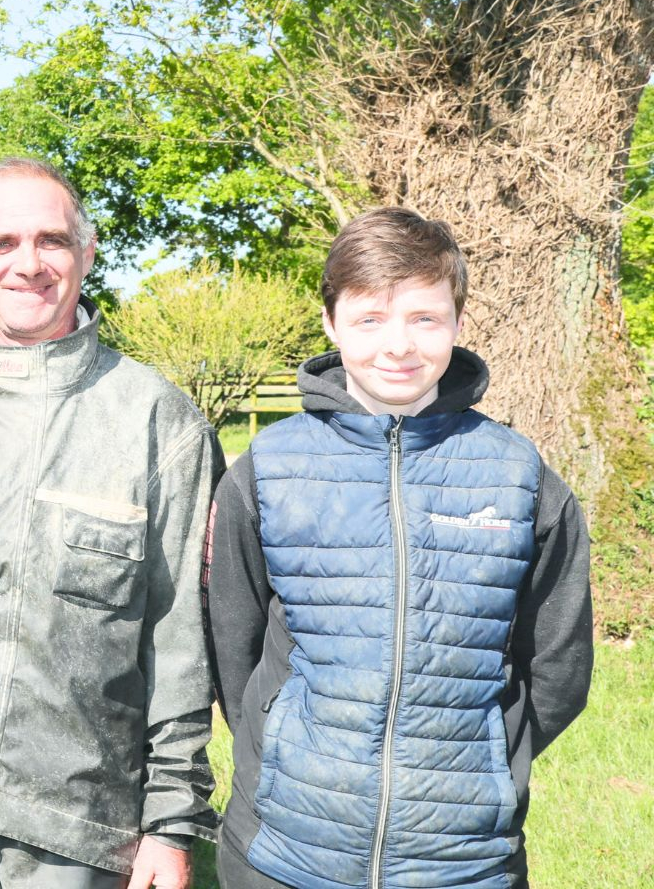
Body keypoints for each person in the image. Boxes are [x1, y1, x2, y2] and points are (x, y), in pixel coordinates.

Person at [206, 207, 592, 889]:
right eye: (370, 319)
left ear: (458, 322)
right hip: (286, 854)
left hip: (464, 862)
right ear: (331, 323)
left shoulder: (519, 475)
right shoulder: (266, 470)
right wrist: (285, 737)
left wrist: (485, 759)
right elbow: (230, 646)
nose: (398, 345)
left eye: (424, 318)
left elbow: (557, 666)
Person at [0, 157, 220, 889]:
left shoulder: (158, 421)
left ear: (86, 255)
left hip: (83, 832)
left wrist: (170, 825)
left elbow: (183, 644)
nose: (29, 264)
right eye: (0, 245)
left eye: (52, 241)